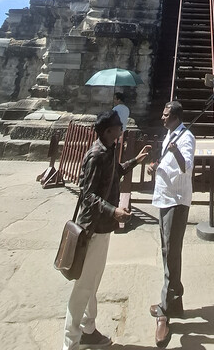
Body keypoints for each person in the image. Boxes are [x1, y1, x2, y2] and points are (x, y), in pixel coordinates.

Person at [62, 110, 150, 350]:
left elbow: (114, 175)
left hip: (102, 228)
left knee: (93, 279)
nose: (122, 129)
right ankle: (70, 342)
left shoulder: (109, 150)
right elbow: (87, 194)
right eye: (119, 126)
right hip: (92, 227)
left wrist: (136, 161)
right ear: (108, 131)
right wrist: (114, 211)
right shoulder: (96, 154)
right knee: (84, 286)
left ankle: (89, 329)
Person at [149, 101, 196, 325]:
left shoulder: (185, 138)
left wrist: (176, 151)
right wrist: (155, 165)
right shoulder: (171, 134)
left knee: (171, 251)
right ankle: (175, 301)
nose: (162, 117)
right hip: (165, 197)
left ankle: (166, 307)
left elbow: (185, 165)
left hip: (176, 200)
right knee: (169, 249)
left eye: (166, 114)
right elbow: (169, 161)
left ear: (175, 116)